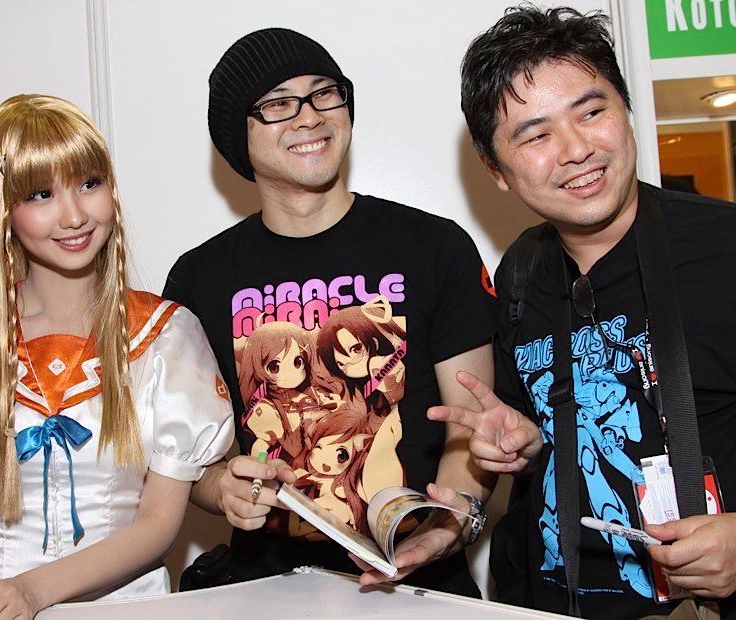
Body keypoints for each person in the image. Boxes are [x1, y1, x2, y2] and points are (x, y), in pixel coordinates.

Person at [443, 6, 736, 618]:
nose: (576, 150)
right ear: (496, 170)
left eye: (592, 112)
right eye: (536, 135)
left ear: (626, 111)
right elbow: (533, 426)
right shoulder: (521, 272)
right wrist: (520, 443)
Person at [164, 28, 498, 595]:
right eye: (277, 104)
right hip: (266, 591)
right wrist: (222, 488)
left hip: (422, 588)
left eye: (324, 93)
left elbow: (473, 424)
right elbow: (186, 461)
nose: (309, 116)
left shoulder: (436, 247)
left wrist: (449, 523)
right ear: (238, 136)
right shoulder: (199, 278)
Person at [0, 94, 234, 620]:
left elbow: (157, 526)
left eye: (90, 183)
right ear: (1, 208)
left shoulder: (164, 337)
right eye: (41, 194)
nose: (74, 215)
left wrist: (31, 591)